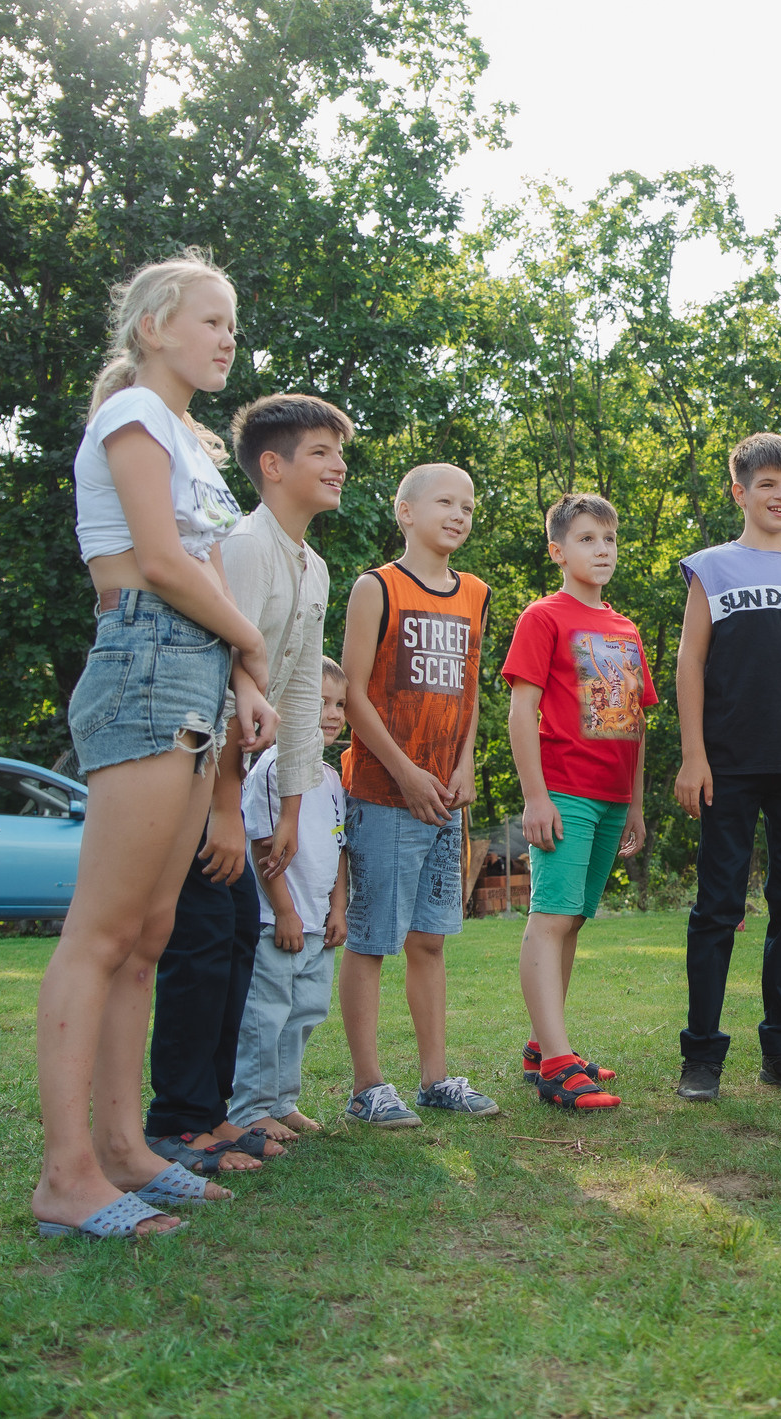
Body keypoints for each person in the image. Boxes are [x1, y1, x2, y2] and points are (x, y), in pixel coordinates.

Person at [32, 250, 274, 1239]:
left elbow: (209, 569)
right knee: (100, 935)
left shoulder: (192, 441)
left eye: (231, 323)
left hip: (198, 668)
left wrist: (246, 677)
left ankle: (127, 1149)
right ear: (152, 329)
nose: (227, 337)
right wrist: (252, 644)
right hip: (144, 657)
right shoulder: (130, 415)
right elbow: (164, 562)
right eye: (210, 320)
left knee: (150, 938)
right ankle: (66, 1174)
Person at [147, 392, 354, 1174]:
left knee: (235, 938)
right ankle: (178, 1122)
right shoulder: (239, 548)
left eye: (341, 454)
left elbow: (298, 694)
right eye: (321, 453)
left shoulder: (313, 566)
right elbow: (216, 680)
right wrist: (226, 808)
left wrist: (293, 807)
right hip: (195, 772)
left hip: (245, 782)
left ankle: (222, 1112)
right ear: (272, 466)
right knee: (201, 941)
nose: (339, 467)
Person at [672, 432, 781, 1101]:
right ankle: (701, 1057)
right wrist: (694, 754)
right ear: (739, 491)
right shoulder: (711, 569)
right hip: (728, 764)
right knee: (718, 906)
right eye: (770, 484)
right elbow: (690, 661)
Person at [335, 464, 500, 1126]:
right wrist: (403, 770)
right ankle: (368, 1086)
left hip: (445, 801)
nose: (459, 513)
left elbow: (470, 688)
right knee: (373, 939)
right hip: (384, 792)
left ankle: (435, 1079)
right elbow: (351, 692)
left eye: (468, 504)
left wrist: (463, 765)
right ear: (405, 511)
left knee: (429, 941)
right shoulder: (377, 587)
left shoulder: (477, 593)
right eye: (444, 502)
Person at [503, 494, 657, 1111]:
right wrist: (535, 797)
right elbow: (521, 713)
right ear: (558, 551)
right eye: (588, 539)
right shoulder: (544, 617)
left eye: (610, 540)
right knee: (552, 917)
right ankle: (558, 1066)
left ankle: (546, 1045)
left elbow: (636, 724)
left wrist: (637, 807)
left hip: (612, 796)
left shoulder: (625, 628)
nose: (602, 551)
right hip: (563, 790)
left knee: (575, 921)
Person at [228, 658, 352, 1137]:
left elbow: (339, 849)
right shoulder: (273, 768)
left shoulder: (330, 777)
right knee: (266, 1016)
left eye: (339, 704)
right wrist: (285, 912)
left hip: (318, 926)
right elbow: (263, 843)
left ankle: (282, 1101)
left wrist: (337, 908)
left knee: (303, 1014)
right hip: (275, 923)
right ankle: (249, 1109)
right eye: (319, 701)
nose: (333, 713)